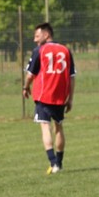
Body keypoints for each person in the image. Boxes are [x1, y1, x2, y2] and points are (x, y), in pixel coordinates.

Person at [22, 22, 76, 174]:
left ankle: (53, 163)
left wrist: (25, 87)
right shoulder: (66, 50)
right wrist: (70, 98)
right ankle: (59, 163)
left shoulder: (39, 50)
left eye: (37, 36)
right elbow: (72, 77)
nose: (35, 40)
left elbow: (30, 75)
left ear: (46, 35)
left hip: (43, 95)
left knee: (45, 126)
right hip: (60, 96)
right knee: (58, 127)